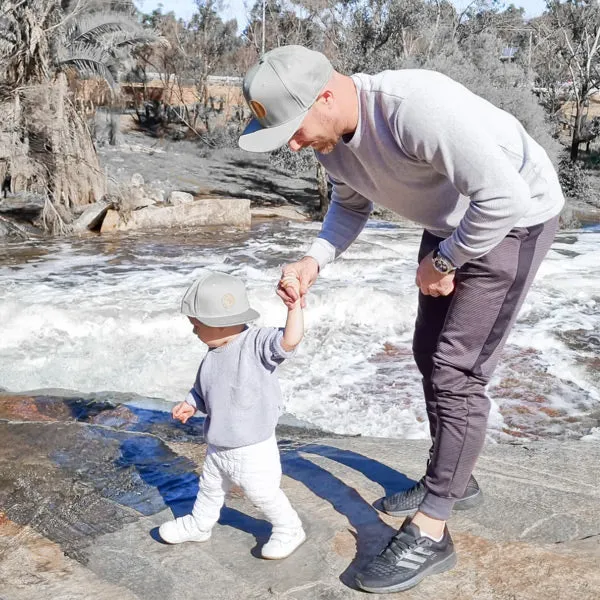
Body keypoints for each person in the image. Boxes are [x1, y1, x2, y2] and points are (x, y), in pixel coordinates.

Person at [238, 45, 564, 592]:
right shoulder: (328, 138)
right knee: (425, 352)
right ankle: (456, 478)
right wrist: (313, 260)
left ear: (326, 95)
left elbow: (502, 197)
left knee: (456, 373)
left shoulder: (413, 107)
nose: (293, 145)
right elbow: (350, 204)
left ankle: (433, 529)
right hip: (457, 220)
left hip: (515, 218)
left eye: (294, 130)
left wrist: (445, 260)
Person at [158, 270, 306, 560]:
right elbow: (204, 389)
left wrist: (294, 307)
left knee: (262, 491)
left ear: (218, 322)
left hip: (251, 445)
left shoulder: (255, 344)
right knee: (210, 487)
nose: (193, 331)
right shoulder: (212, 354)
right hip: (219, 445)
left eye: (196, 325)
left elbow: (289, 341)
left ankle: (290, 528)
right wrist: (190, 403)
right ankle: (200, 524)